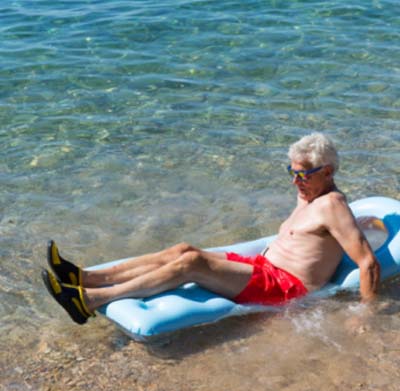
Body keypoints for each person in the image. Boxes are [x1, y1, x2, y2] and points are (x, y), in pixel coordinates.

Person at [42, 133, 381, 325]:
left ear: (329, 171)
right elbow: (327, 235)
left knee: (192, 265)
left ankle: (90, 301)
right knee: (183, 250)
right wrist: (364, 222)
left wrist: (366, 315)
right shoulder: (311, 196)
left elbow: (367, 262)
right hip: (263, 268)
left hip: (284, 287)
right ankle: (84, 276)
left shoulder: (333, 205)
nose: (296, 181)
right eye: (291, 172)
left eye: (303, 174)